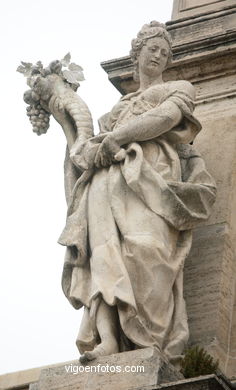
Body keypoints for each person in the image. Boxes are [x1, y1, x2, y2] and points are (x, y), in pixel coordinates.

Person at [58, 21, 216, 364]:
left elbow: (164, 118)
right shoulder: (115, 110)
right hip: (106, 182)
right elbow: (83, 155)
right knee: (103, 254)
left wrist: (117, 138)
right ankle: (109, 340)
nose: (157, 56)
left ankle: (151, 341)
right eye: (151, 49)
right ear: (137, 54)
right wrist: (68, 121)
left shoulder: (180, 87)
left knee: (147, 251)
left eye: (164, 51)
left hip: (152, 178)